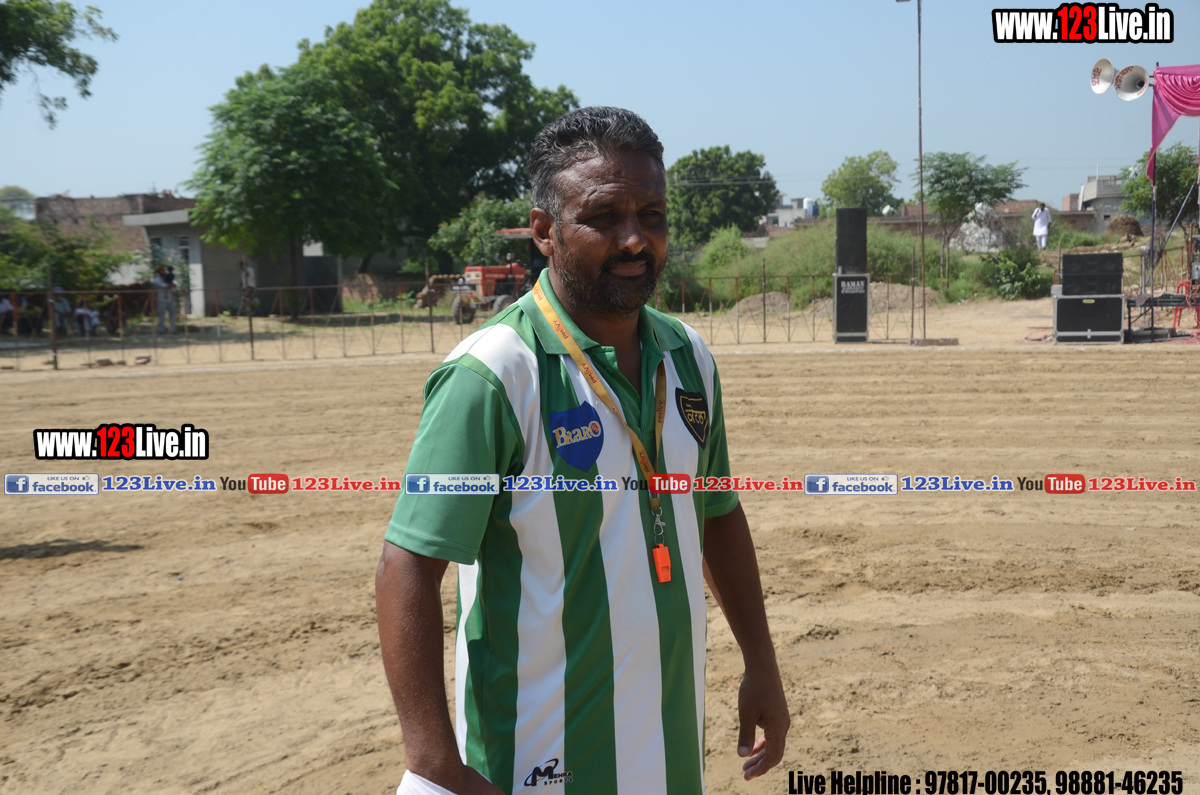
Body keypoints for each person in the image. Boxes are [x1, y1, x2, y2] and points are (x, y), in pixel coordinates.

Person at [376, 107, 789, 795]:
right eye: (603, 217)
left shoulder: (689, 358)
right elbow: (408, 566)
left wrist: (762, 662)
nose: (635, 239)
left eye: (652, 215)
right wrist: (434, 762)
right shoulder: (493, 375)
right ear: (544, 231)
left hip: (668, 753)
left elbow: (716, 514)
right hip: (538, 762)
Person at [153, 265, 177, 334]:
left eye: (163, 270)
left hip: (171, 298)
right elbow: (165, 285)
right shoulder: (157, 279)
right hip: (162, 299)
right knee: (161, 315)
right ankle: (161, 329)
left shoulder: (167, 277)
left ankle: (173, 329)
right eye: (161, 270)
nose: (163, 271)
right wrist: (170, 284)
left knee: (172, 315)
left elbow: (174, 285)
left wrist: (171, 284)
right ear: (159, 272)